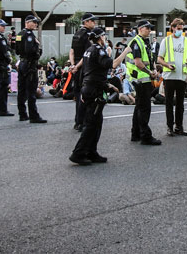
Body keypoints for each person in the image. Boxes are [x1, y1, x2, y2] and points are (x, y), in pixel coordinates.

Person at [69, 28, 131, 165]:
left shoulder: (89, 50)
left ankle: (91, 151)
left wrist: (107, 85)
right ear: (101, 37)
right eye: (104, 35)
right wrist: (125, 52)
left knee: (96, 122)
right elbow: (113, 64)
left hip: (90, 87)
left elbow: (93, 70)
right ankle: (78, 153)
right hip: (93, 90)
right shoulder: (98, 50)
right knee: (91, 124)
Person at [126, 20, 162, 146]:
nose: (150, 30)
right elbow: (138, 63)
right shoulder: (136, 42)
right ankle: (145, 136)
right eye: (147, 28)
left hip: (143, 79)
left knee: (139, 108)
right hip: (141, 79)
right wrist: (149, 72)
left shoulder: (144, 42)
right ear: (140, 29)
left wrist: (153, 70)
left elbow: (148, 59)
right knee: (144, 108)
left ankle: (135, 134)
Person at [157, 18, 187, 136]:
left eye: (181, 29)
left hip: (181, 77)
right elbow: (159, 58)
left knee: (180, 104)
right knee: (169, 103)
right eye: (178, 29)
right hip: (169, 76)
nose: (180, 31)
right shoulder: (166, 41)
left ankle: (179, 126)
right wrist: (167, 65)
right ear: (172, 28)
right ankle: (170, 127)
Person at [16, 15, 46, 124]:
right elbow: (30, 50)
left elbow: (17, 50)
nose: (36, 24)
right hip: (30, 65)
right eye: (34, 22)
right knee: (31, 91)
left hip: (22, 63)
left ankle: (22, 114)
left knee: (22, 90)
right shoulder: (29, 35)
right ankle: (34, 116)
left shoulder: (20, 34)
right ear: (28, 22)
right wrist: (37, 47)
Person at [69, 12, 96, 131]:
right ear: (86, 22)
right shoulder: (88, 35)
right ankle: (82, 122)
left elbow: (72, 51)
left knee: (78, 94)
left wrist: (72, 65)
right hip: (84, 68)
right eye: (92, 21)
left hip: (76, 66)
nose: (94, 23)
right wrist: (78, 66)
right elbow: (86, 54)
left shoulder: (77, 34)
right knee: (84, 96)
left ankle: (77, 121)